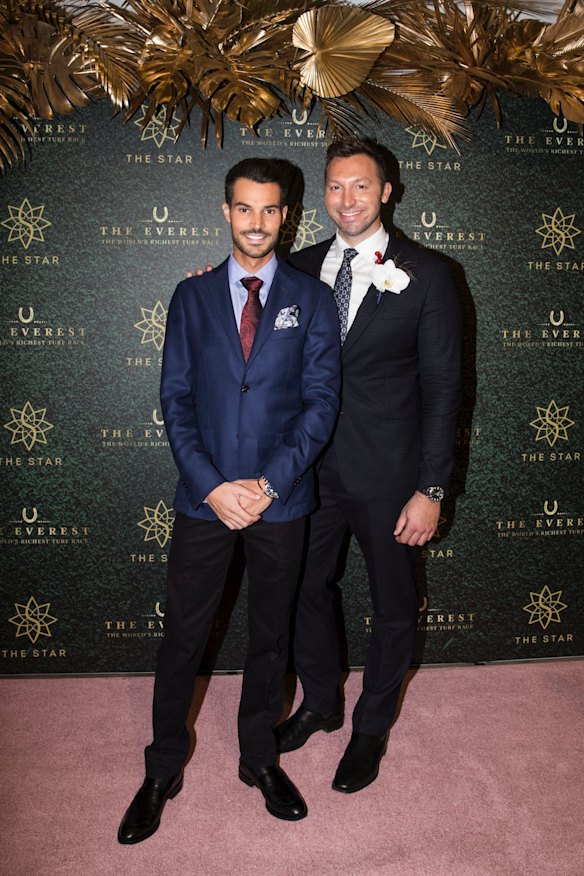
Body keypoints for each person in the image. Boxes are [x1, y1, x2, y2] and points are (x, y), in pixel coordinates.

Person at [117, 158, 341, 843]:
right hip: (203, 499)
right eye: (245, 208)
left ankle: (258, 759)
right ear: (225, 211)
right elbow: (176, 399)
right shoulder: (191, 297)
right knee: (183, 635)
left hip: (281, 500)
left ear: (286, 216)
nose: (257, 222)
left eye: (271, 210)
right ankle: (161, 769)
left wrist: (267, 484)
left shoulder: (313, 298)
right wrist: (213, 485)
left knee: (271, 636)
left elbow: (320, 404)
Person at [276, 138, 463, 793]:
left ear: (387, 192)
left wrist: (431, 488)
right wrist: (209, 292)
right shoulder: (294, 267)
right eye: (335, 186)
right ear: (321, 193)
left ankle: (370, 728)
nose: (347, 199)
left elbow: (444, 388)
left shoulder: (429, 273)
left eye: (361, 186)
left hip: (389, 476)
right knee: (303, 590)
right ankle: (323, 703)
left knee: (393, 606)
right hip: (305, 472)